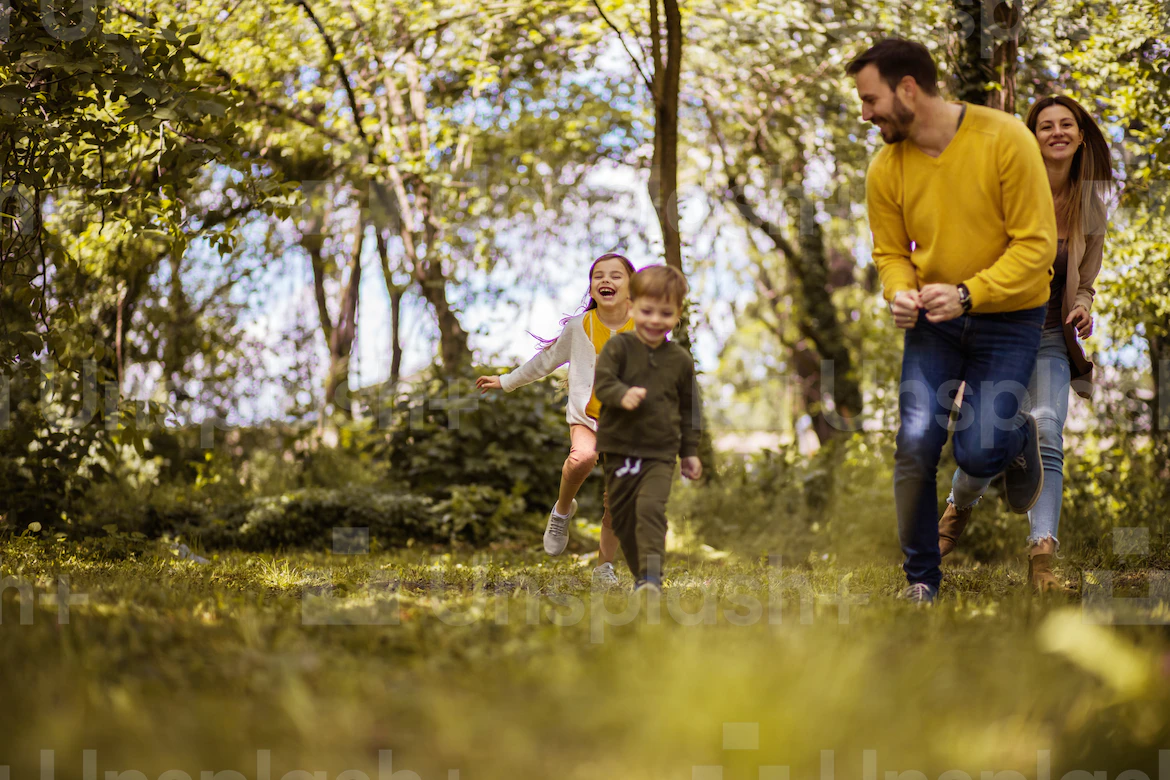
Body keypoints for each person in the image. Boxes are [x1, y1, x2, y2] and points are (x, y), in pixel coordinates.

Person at [848, 38, 1057, 604]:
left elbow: (1037, 246)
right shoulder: (885, 168)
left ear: (908, 88)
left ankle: (1014, 436)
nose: (865, 114)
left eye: (871, 100)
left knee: (978, 452)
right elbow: (891, 253)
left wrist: (970, 294)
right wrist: (899, 292)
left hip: (1009, 316)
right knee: (916, 443)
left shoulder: (1004, 138)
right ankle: (922, 579)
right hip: (933, 324)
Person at [937, 95, 1115, 592]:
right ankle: (956, 511)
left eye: (1067, 125)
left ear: (1080, 137)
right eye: (1046, 126)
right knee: (984, 443)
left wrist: (1082, 306)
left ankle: (1043, 561)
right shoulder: (1006, 192)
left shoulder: (1090, 207)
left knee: (1048, 430)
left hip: (1052, 340)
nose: (1057, 132)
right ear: (1032, 137)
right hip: (997, 338)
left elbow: (1086, 282)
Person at [475, 252, 636, 587]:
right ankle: (562, 510)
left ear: (632, 286)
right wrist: (505, 381)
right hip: (587, 417)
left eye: (616, 275)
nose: (606, 280)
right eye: (598, 276)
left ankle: (603, 567)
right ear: (591, 289)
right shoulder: (580, 328)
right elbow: (546, 360)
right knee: (582, 457)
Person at [593, 265, 703, 594]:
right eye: (647, 311)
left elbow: (690, 408)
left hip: (659, 452)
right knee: (623, 516)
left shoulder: (680, 360)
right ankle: (638, 571)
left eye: (665, 313)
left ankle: (650, 578)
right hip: (620, 449)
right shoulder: (618, 348)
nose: (655, 320)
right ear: (632, 307)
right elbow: (603, 384)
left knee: (651, 509)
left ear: (678, 314)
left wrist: (690, 452)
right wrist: (621, 394)